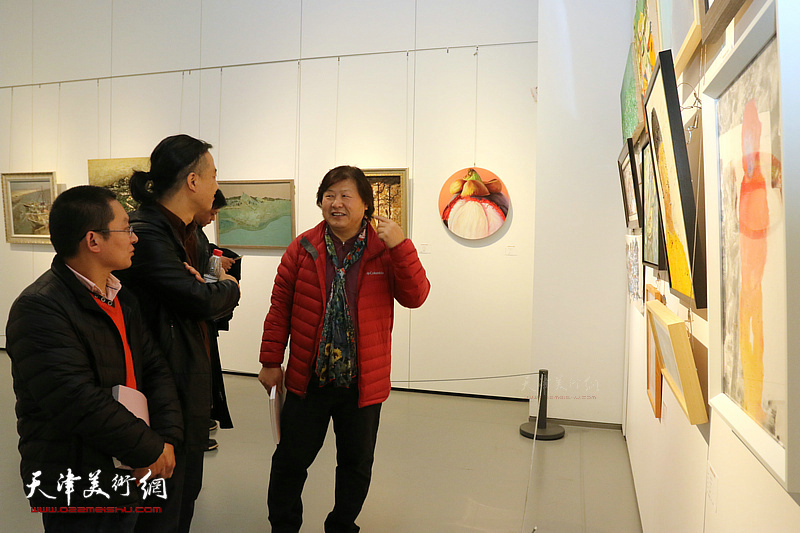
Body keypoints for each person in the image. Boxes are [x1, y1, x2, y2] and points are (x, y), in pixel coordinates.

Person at [258, 165, 430, 532]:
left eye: (346, 196)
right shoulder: (303, 247)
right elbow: (280, 307)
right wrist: (271, 360)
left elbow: (415, 296)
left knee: (356, 463)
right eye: (329, 196)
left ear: (366, 204)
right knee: (290, 461)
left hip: (362, 382)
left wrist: (402, 246)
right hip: (309, 378)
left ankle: (341, 525)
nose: (336, 203)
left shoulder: (384, 248)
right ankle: (283, 526)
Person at [6, 185, 183, 533]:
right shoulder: (39, 307)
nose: (134, 238)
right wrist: (148, 448)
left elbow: (155, 369)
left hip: (130, 465)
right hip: (76, 475)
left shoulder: (121, 297)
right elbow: (76, 399)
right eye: (125, 228)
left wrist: (166, 440)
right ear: (93, 240)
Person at [118, 134, 241, 533]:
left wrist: (209, 289)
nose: (216, 186)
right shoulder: (148, 233)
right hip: (160, 385)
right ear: (192, 181)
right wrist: (229, 287)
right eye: (214, 176)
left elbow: (203, 292)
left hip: (189, 377)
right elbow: (201, 299)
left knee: (184, 497)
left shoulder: (190, 233)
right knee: (161, 507)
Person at [193, 189, 240, 450]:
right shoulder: (184, 234)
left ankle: (202, 421)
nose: (213, 217)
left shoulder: (194, 233)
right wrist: (224, 278)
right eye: (212, 211)